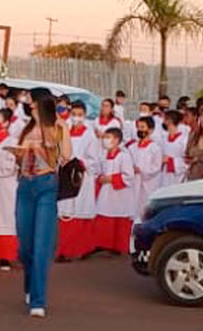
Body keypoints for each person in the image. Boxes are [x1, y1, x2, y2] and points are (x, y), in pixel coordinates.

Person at [8, 88, 71, 318]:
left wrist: (63, 127)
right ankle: (30, 284)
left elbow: (66, 156)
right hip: (25, 185)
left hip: (46, 185)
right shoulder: (26, 128)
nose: (28, 104)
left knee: (41, 244)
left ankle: (38, 299)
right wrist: (19, 153)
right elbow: (20, 155)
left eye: (31, 101)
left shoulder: (55, 127)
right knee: (25, 246)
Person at [56, 101, 98, 261]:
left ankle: (81, 248)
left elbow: (94, 159)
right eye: (74, 114)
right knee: (65, 213)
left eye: (79, 115)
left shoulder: (89, 135)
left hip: (81, 177)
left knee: (80, 213)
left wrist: (79, 162)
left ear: (85, 116)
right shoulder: (63, 130)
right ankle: (62, 250)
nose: (76, 118)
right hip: (65, 174)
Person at [93, 126, 135, 257]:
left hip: (119, 192)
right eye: (104, 137)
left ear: (117, 140)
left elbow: (129, 176)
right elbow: (97, 171)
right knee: (103, 215)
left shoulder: (124, 156)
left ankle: (119, 246)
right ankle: (103, 243)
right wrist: (100, 178)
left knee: (119, 218)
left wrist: (112, 178)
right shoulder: (103, 155)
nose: (105, 140)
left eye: (108, 137)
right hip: (106, 191)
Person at [0, 108, 19, 270]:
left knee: (6, 218)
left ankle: (7, 256)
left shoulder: (12, 143)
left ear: (6, 123)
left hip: (6, 185)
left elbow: (10, 165)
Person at [128, 117, 164, 220]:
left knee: (145, 208)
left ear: (150, 130)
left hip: (149, 183)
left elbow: (156, 167)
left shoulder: (155, 148)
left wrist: (142, 170)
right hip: (134, 183)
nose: (140, 130)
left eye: (143, 127)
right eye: (138, 127)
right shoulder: (132, 147)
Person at [161, 111, 187, 186]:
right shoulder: (164, 138)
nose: (163, 121)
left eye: (165, 119)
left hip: (177, 177)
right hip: (164, 175)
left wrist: (170, 161)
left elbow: (186, 161)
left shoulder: (183, 140)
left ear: (169, 121)